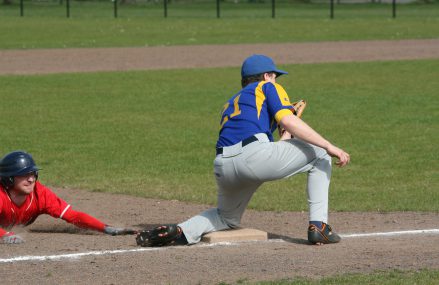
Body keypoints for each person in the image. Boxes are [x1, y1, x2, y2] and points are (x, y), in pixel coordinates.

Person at [137, 54, 350, 247]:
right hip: (254, 158)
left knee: (226, 218)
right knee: (320, 154)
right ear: (266, 76)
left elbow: (261, 139)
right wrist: (329, 145)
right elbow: (286, 121)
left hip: (224, 166)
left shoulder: (232, 102)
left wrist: (285, 135)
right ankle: (319, 227)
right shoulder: (268, 87)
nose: (276, 81)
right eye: (275, 76)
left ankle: (182, 230)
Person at [0, 150, 137, 244]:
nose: (31, 179)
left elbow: (73, 216)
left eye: (32, 174)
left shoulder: (40, 194)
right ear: (9, 179)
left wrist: (105, 228)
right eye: (24, 175)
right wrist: (5, 235)